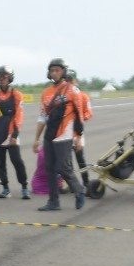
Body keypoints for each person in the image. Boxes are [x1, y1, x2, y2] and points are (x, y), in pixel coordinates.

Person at [32, 57, 90, 211]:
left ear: (63, 72)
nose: (54, 73)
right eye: (52, 70)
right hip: (49, 134)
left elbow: (79, 116)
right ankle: (53, 201)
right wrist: (37, 139)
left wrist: (78, 137)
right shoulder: (46, 93)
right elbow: (42, 117)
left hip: (65, 134)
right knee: (49, 168)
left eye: (57, 70)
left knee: (63, 168)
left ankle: (79, 190)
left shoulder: (72, 90)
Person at [0, 65, 29, 199]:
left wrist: (15, 135)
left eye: (5, 77)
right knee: (0, 164)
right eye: (0, 77)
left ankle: (24, 186)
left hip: (12, 134)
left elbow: (19, 116)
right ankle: (5, 188)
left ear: (10, 78)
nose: (3, 79)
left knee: (17, 161)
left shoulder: (17, 95)